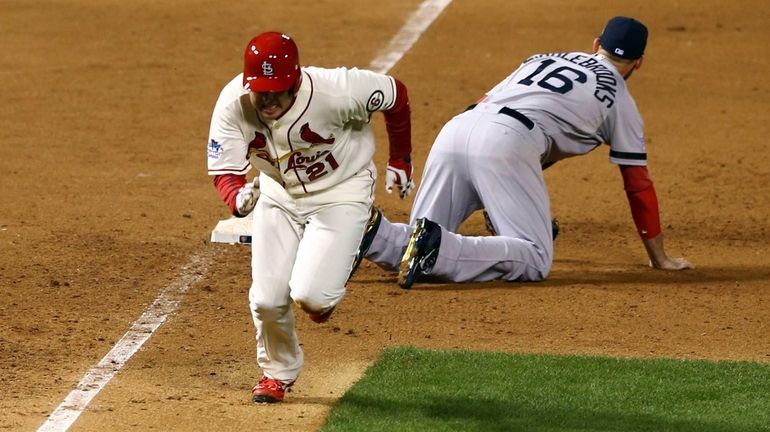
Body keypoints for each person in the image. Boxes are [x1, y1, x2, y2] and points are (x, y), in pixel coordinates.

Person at [353, 16, 693, 290]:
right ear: (639, 63)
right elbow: (637, 184)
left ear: (595, 45)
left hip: (457, 129)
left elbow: (501, 109)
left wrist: (501, 193)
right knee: (534, 258)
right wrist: (659, 257)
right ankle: (436, 245)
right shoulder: (619, 98)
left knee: (415, 246)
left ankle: (369, 233)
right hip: (506, 143)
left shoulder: (544, 58)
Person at [206, 31, 415, 403]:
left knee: (313, 298)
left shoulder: (338, 90)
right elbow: (225, 171)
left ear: (295, 79)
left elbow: (396, 95)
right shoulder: (232, 103)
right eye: (260, 90)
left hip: (343, 190)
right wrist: (237, 198)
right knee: (268, 299)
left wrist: (400, 158)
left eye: (277, 89)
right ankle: (277, 372)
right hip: (278, 194)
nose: (267, 100)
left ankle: (340, 261)